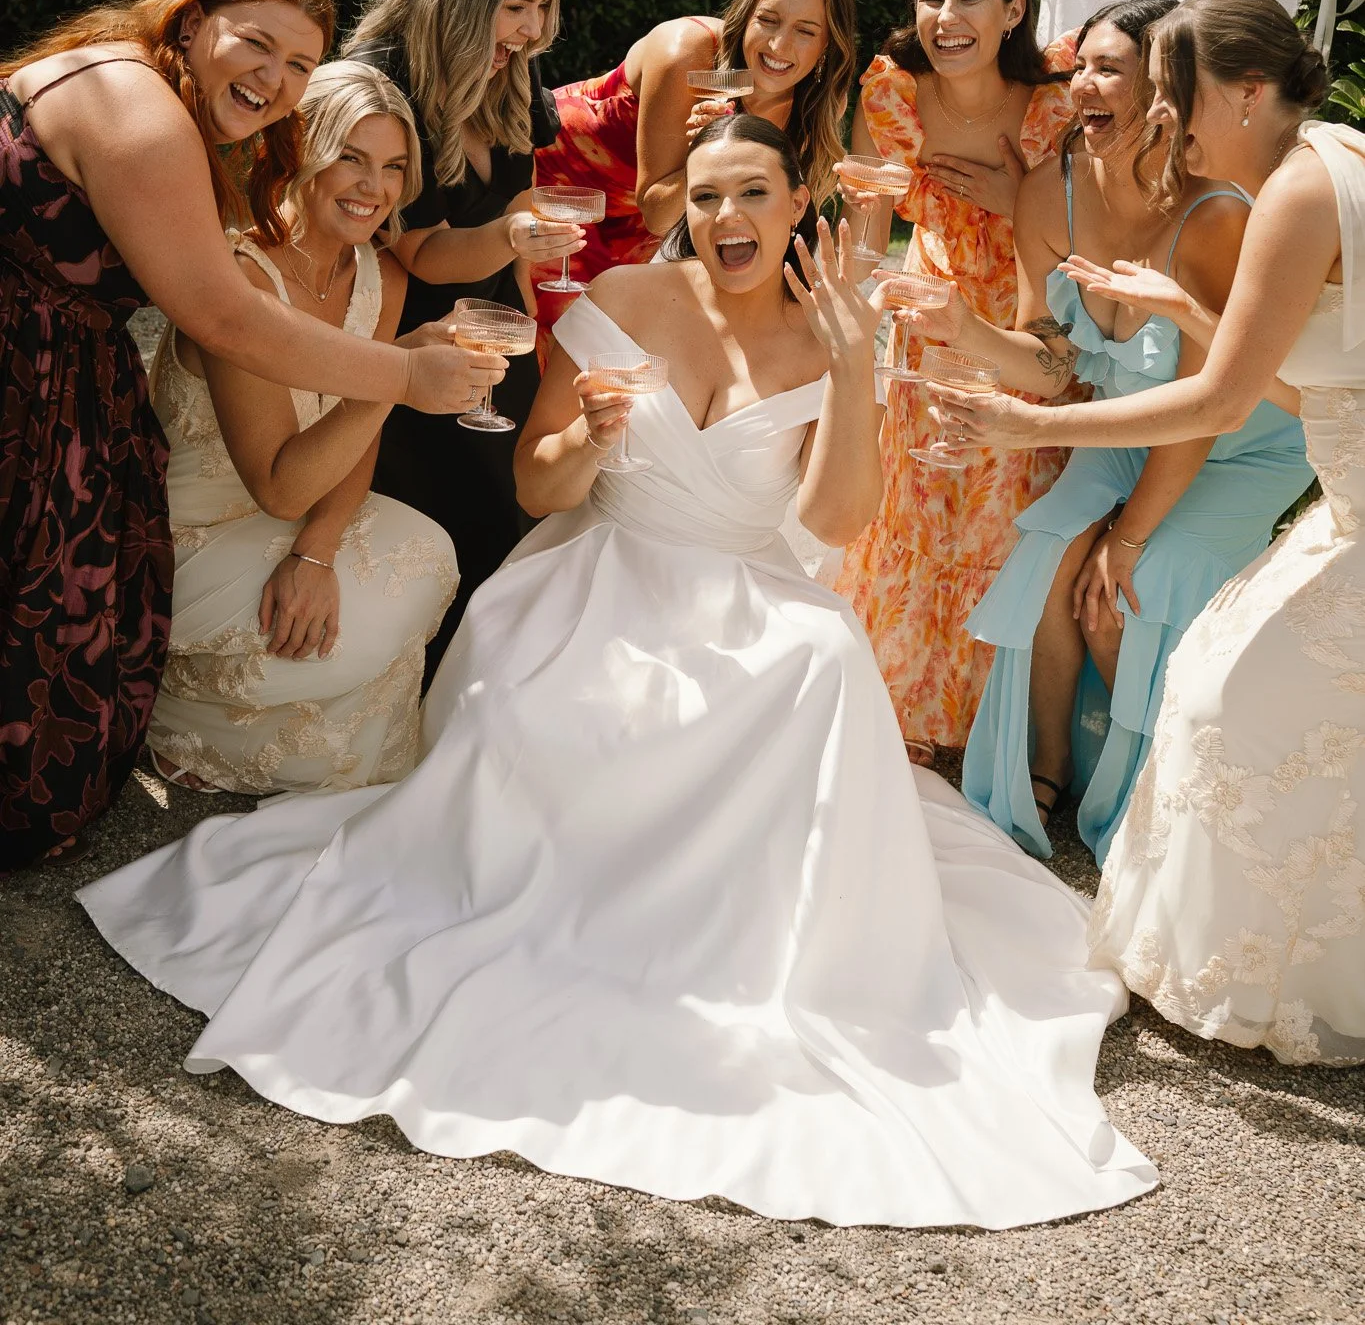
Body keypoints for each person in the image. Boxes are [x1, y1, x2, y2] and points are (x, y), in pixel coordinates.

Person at [78, 115, 1156, 1230]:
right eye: (703, 197)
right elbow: (541, 490)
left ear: (800, 209)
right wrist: (588, 441)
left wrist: (849, 362)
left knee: (820, 658)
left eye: (751, 194)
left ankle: (743, 949)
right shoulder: (627, 302)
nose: (725, 217)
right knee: (549, 683)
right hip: (601, 572)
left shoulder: (836, 328)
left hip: (749, 588)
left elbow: (835, 516)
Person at [932, 0, 1363, 1065]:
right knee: (1222, 680)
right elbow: (1313, 391)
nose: (1167, 115)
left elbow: (1221, 406)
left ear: (1252, 93)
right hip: (1345, 496)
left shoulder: (1296, 194)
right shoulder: (1328, 157)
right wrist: (1180, 313)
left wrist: (1033, 420)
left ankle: (1287, 959)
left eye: (1180, 91)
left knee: (1226, 699)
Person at [0, 0, 496, 872]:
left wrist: (318, 541)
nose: (274, 79)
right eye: (255, 44)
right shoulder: (136, 107)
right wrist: (399, 377)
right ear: (192, 22)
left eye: (299, 64)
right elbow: (224, 316)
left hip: (58, 367)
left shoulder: (363, 267)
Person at [892, 0, 1312, 861]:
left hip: (1237, 443)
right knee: (1047, 558)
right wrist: (964, 332)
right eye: (1080, 65)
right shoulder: (1051, 190)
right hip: (1122, 428)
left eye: (1113, 69)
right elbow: (1051, 360)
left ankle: (1158, 799)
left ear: (1163, 93)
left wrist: (1124, 540)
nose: (1085, 83)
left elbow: (1210, 405)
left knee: (1132, 584)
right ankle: (1045, 772)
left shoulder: (1218, 212)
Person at [145, 62, 459, 797]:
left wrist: (317, 555)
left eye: (391, 167)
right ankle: (176, 708)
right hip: (190, 533)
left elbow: (354, 442)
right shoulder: (241, 278)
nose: (372, 188)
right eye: (350, 156)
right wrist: (398, 377)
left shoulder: (381, 273)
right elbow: (280, 486)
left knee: (432, 554)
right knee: (387, 600)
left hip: (292, 515)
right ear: (301, 152)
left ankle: (272, 715)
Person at [833, 0, 1079, 766]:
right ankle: (898, 713)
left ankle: (987, 735)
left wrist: (1023, 204)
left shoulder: (1055, 108)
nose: (946, 16)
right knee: (912, 518)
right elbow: (869, 236)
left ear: (1013, 11)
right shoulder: (892, 95)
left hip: (1026, 325)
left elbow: (1091, 236)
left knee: (997, 528)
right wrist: (849, 311)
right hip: (925, 322)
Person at [346, 0, 579, 670]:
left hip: (492, 329)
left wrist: (539, 320)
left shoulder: (508, 75)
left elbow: (517, 204)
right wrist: (510, 236)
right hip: (412, 339)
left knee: (510, 517)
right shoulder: (385, 83)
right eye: (515, 7)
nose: (531, 30)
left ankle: (483, 700)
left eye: (542, 8)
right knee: (450, 523)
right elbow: (424, 254)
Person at [531, 0, 858, 332]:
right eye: (768, 20)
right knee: (550, 346)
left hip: (634, 231)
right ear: (746, 16)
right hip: (560, 190)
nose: (778, 46)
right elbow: (657, 212)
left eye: (805, 31)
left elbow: (776, 223)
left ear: (827, 45)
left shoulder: (818, 106)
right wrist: (706, 149)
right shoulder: (688, 52)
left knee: (611, 355)